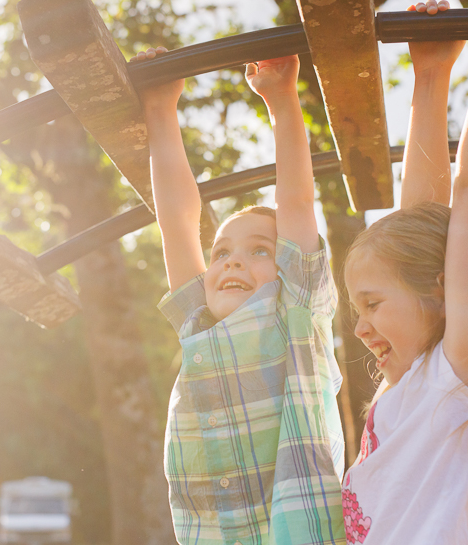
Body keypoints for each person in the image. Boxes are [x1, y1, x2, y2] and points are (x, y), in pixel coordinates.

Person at [340, 0, 468, 544]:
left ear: (442, 289)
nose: (359, 328)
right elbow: (415, 224)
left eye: (373, 304)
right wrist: (429, 77)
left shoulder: (464, 368)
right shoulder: (417, 382)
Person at [133, 48, 346, 544]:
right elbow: (177, 221)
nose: (231, 261)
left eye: (258, 251)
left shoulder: (295, 311)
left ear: (287, 265)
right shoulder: (198, 322)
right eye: (223, 251)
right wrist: (162, 109)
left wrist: (281, 99)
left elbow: (294, 200)